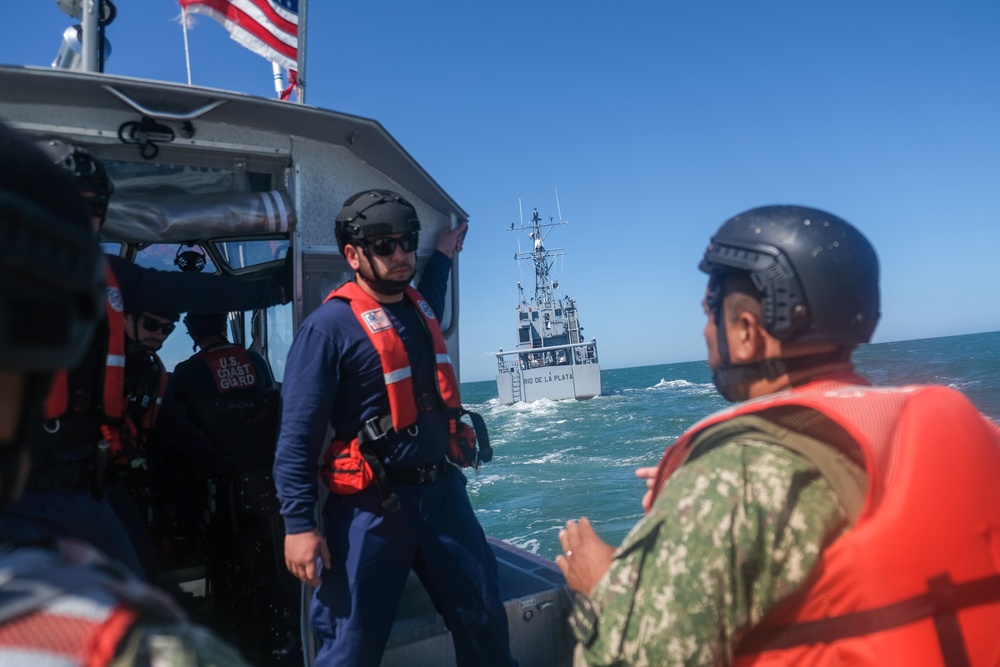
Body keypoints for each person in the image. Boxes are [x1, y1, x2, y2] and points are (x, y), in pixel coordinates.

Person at [556, 205, 1000, 666]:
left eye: (711, 311)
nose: (705, 331)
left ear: (747, 332)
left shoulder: (732, 479)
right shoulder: (978, 431)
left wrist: (604, 589)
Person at [0, 120, 251, 666]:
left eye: (93, 208)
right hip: (18, 495)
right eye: (71, 206)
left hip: (90, 489)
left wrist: (275, 288)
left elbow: (191, 289)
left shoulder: (119, 285)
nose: (83, 221)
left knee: (142, 594)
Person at [273, 190, 515, 666]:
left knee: (484, 618)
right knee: (351, 643)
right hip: (374, 505)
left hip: (443, 493)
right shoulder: (328, 329)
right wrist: (299, 524)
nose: (400, 253)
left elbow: (434, 292)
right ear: (353, 255)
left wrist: (443, 253)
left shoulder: (420, 308)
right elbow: (297, 437)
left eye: (407, 241)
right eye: (384, 246)